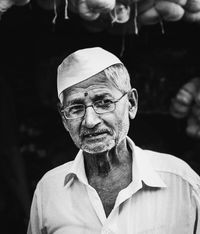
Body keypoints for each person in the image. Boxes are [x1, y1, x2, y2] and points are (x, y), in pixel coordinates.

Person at [27, 47, 200, 234]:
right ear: (64, 119)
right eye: (76, 108)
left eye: (104, 102)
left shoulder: (181, 183)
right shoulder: (49, 190)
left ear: (131, 104)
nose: (90, 121)